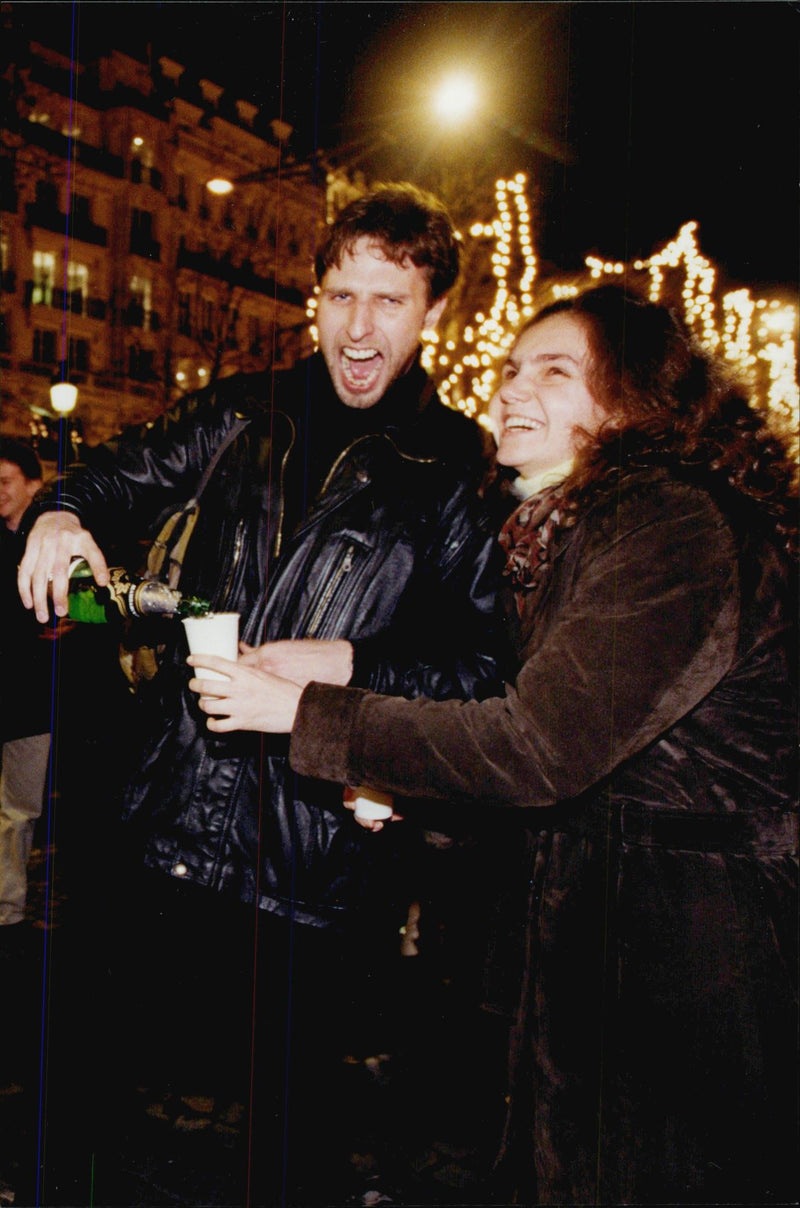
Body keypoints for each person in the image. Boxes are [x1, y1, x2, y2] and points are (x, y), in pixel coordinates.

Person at [187, 283, 798, 1205]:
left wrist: (310, 714)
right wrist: (413, 794)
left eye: (555, 372)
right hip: (614, 961)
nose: (512, 389)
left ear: (636, 402)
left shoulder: (671, 523)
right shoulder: (572, 532)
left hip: (698, 972)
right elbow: (580, 764)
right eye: (513, 368)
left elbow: (539, 747)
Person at [17, 183, 503, 1204]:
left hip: (307, 859)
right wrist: (59, 512)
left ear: (431, 315)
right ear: (314, 297)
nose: (356, 327)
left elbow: (481, 665)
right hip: (159, 821)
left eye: (388, 300)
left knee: (287, 1142)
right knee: (90, 1107)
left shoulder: (453, 468)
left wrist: (347, 661)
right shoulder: (247, 410)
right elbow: (111, 474)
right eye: (338, 295)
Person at [0, 440, 51, 942]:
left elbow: (87, 611)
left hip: (31, 701)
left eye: (5, 481)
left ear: (34, 485)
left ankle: (7, 910)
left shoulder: (58, 538)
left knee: (18, 810)